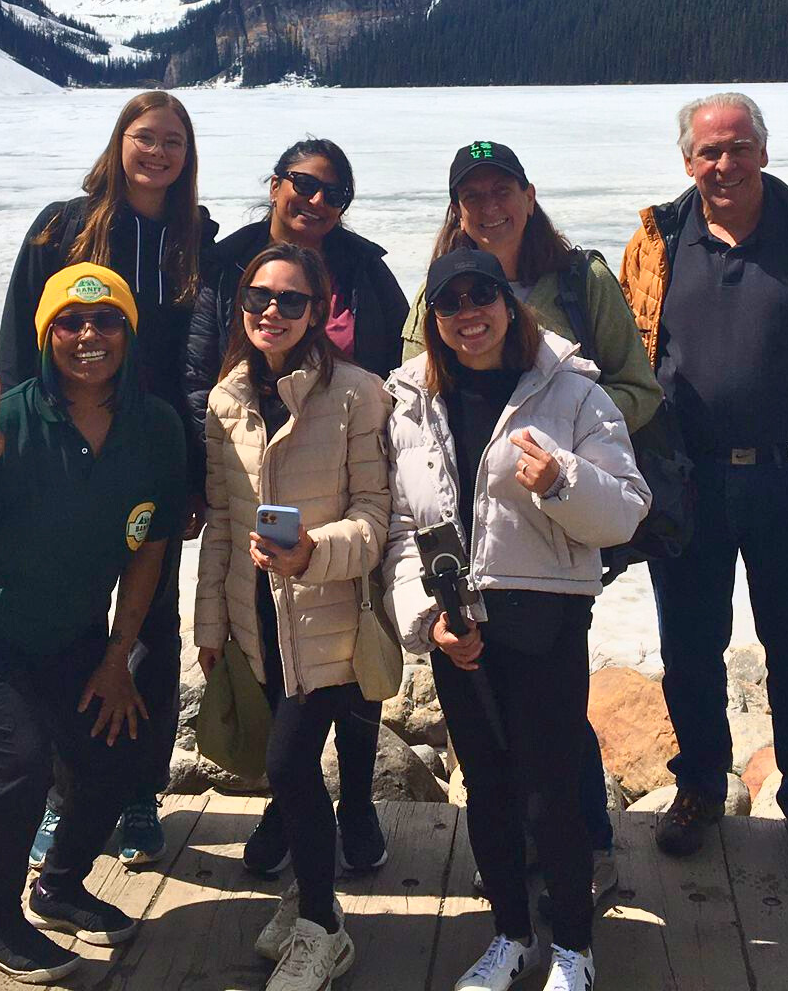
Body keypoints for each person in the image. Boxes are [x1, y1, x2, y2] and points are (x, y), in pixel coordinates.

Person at [620, 91, 788, 873]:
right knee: (690, 649)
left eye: (738, 149)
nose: (724, 165)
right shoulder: (658, 240)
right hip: (688, 486)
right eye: (709, 152)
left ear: (763, 152)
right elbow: (625, 356)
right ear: (687, 161)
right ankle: (700, 786)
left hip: (786, 484)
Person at [0, 264, 186, 984]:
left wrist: (119, 654)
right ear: (45, 335)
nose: (89, 336)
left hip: (64, 628)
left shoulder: (155, 427)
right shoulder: (6, 421)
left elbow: (150, 550)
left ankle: (58, 887)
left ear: (129, 331)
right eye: (70, 323)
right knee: (17, 770)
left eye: (107, 320)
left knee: (117, 746)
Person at [402, 139, 663, 909]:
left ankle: (585, 842)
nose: (488, 208)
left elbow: (633, 386)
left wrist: (573, 436)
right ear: (457, 207)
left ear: (528, 192)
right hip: (469, 533)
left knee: (552, 695)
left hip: (560, 514)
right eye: (471, 195)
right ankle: (517, 844)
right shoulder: (438, 287)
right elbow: (418, 395)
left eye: (501, 190)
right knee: (487, 694)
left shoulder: (579, 279)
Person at [385, 248, 650, 991]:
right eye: (450, 303)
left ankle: (573, 946)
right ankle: (510, 935)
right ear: (432, 319)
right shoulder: (409, 399)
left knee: (551, 789)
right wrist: (422, 621)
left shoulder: (571, 391)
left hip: (545, 615)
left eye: (482, 297)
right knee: (487, 790)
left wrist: (564, 479)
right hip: (456, 621)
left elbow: (628, 509)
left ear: (508, 304)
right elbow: (402, 532)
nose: (468, 314)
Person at [0, 91, 216, 869]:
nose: (158, 153)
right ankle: (65, 793)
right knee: (70, 623)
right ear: (119, 142)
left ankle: (138, 793)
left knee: (153, 627)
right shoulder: (63, 227)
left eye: (173, 141)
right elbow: (22, 340)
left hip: (152, 455)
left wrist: (194, 473)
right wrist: (18, 446)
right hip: (66, 449)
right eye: (144, 137)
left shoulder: (197, 238)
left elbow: (201, 365)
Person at [186, 138, 410, 878]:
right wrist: (216, 451)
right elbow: (200, 371)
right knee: (284, 676)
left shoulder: (367, 275)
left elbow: (404, 367)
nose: (316, 202)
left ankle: (357, 806)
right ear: (275, 184)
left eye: (333, 193)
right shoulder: (233, 268)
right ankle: (291, 807)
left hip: (346, 476)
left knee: (352, 660)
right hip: (253, 479)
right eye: (304, 185)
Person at [196, 242, 391, 991]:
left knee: (285, 764)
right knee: (291, 769)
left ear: (320, 310)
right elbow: (221, 520)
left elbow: (376, 519)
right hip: (255, 623)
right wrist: (209, 626)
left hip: (330, 618)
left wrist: (313, 551)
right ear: (238, 304)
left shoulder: (357, 395)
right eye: (257, 298)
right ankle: (305, 895)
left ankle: (324, 928)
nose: (271, 312)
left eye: (290, 301)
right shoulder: (226, 401)